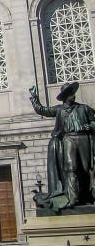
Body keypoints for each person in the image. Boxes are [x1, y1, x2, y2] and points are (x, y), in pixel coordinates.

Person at [30, 82, 95, 210]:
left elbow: (94, 120)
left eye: (73, 94)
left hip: (83, 139)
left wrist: (91, 126)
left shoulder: (84, 108)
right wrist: (35, 98)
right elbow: (42, 110)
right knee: (71, 168)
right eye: (71, 94)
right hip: (68, 139)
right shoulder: (59, 109)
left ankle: (89, 195)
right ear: (65, 96)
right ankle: (72, 198)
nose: (73, 96)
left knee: (87, 169)